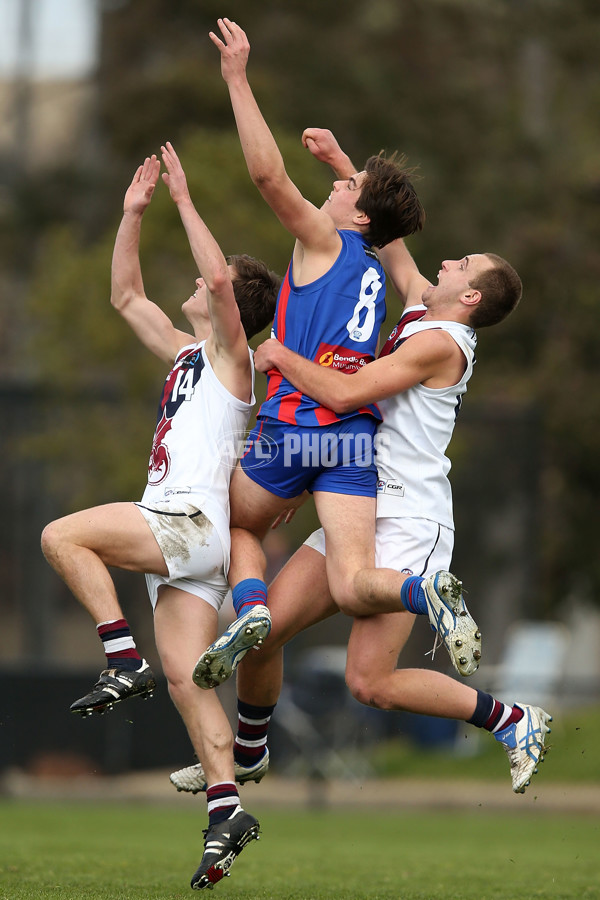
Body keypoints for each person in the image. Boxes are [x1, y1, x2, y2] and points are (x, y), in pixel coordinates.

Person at [172, 129, 551, 799]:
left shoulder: (441, 343)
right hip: (361, 495)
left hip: (410, 514)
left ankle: (508, 714)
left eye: (463, 265)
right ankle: (251, 750)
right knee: (261, 629)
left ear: (469, 300)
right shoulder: (421, 312)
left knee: (369, 681)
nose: (449, 263)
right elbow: (387, 246)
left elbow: (345, 391)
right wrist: (350, 175)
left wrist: (285, 357)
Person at [193, 19, 481, 693]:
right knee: (355, 587)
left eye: (347, 189)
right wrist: (347, 168)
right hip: (351, 444)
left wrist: (237, 78)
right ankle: (423, 590)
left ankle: (252, 611)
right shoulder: (386, 276)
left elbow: (267, 175)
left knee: (236, 523)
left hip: (295, 426)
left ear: (355, 219)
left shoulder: (326, 242)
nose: (335, 189)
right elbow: (375, 215)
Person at [41, 143, 280, 890]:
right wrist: (132, 215)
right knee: (186, 681)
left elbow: (216, 275)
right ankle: (226, 811)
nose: (199, 286)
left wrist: (183, 199)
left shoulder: (234, 358)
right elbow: (124, 297)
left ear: (231, 304)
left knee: (62, 535)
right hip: (187, 540)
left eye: (217, 286)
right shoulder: (187, 354)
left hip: (189, 522)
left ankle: (119, 659)